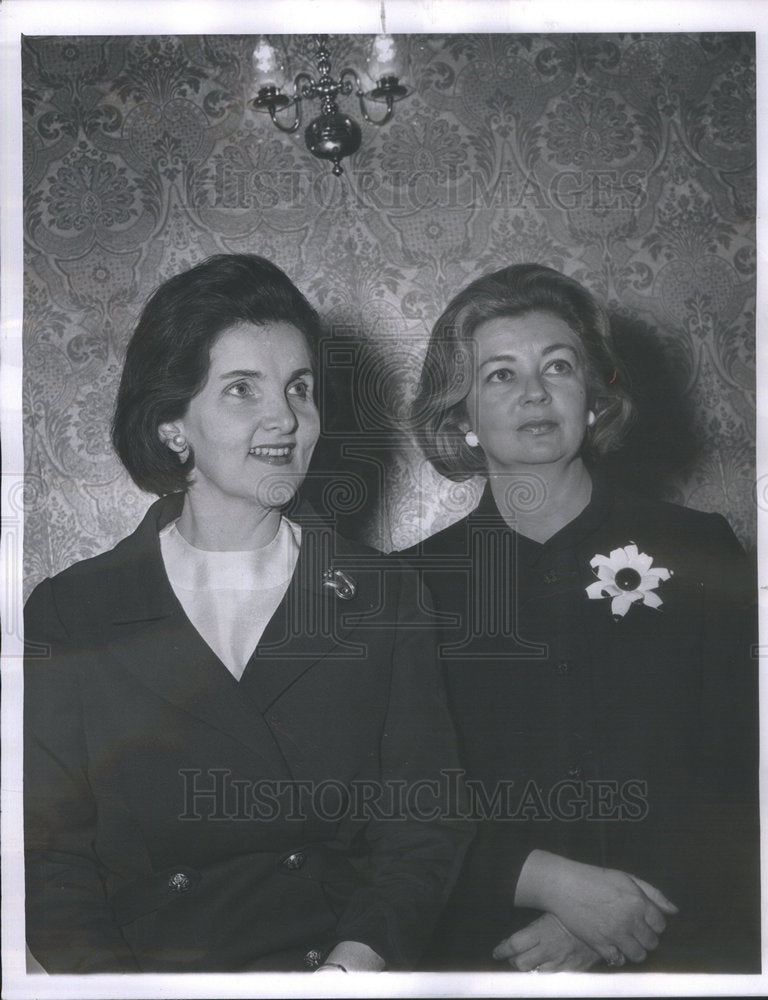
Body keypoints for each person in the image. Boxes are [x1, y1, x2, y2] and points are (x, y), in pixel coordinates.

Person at [24, 254, 470, 974]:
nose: (285, 419)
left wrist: (349, 973)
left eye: (299, 388)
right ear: (173, 424)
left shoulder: (383, 598)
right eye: (241, 390)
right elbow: (49, 861)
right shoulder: (73, 612)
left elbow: (425, 828)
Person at [405, 263, 760, 973]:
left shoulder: (696, 548)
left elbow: (744, 773)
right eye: (499, 374)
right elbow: (399, 811)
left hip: (683, 944)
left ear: (594, 399)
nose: (533, 391)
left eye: (557, 366)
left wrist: (617, 917)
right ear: (460, 417)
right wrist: (549, 890)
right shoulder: (410, 586)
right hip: (491, 952)